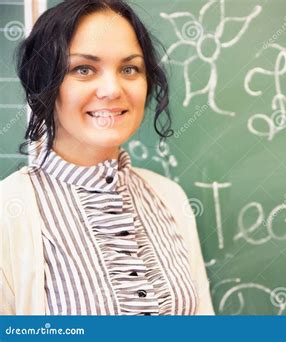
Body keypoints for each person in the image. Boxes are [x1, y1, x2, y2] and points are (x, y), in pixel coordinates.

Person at [0, 0, 214, 315]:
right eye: (83, 69)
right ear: (45, 82)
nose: (112, 89)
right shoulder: (9, 211)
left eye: (129, 69)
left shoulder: (170, 198)